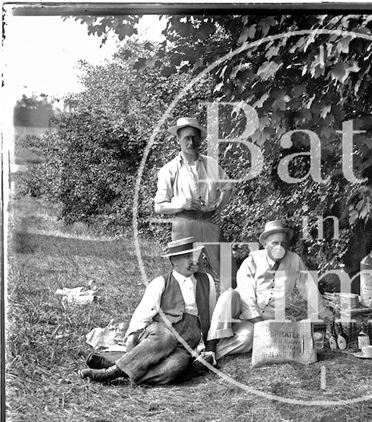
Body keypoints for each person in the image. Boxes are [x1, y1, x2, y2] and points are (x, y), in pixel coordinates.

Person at [78, 237, 218, 385]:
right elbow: (142, 315)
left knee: (178, 364)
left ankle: (122, 369)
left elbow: (212, 316)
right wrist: (132, 338)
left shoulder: (207, 281)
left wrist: (208, 348)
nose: (193, 261)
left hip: (183, 346)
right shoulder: (161, 282)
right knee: (167, 337)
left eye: (194, 256)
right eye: (187, 257)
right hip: (158, 335)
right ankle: (110, 373)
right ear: (174, 261)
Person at [206, 220, 331, 359]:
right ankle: (209, 345)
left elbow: (310, 289)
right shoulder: (251, 261)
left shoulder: (294, 260)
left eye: (283, 243)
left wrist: (327, 315)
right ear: (265, 244)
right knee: (228, 295)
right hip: (242, 312)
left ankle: (213, 355)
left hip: (270, 319)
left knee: (248, 338)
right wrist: (262, 326)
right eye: (274, 243)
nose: (279, 247)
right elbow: (246, 297)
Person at [154, 117, 235, 289]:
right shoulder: (169, 169)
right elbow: (159, 206)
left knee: (226, 268)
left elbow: (227, 187)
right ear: (178, 140)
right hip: (184, 223)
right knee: (186, 270)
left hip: (209, 220)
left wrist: (218, 211)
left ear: (200, 139)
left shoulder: (211, 164)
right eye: (186, 138)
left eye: (195, 138)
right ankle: (188, 310)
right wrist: (182, 205)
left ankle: (231, 307)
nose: (191, 142)